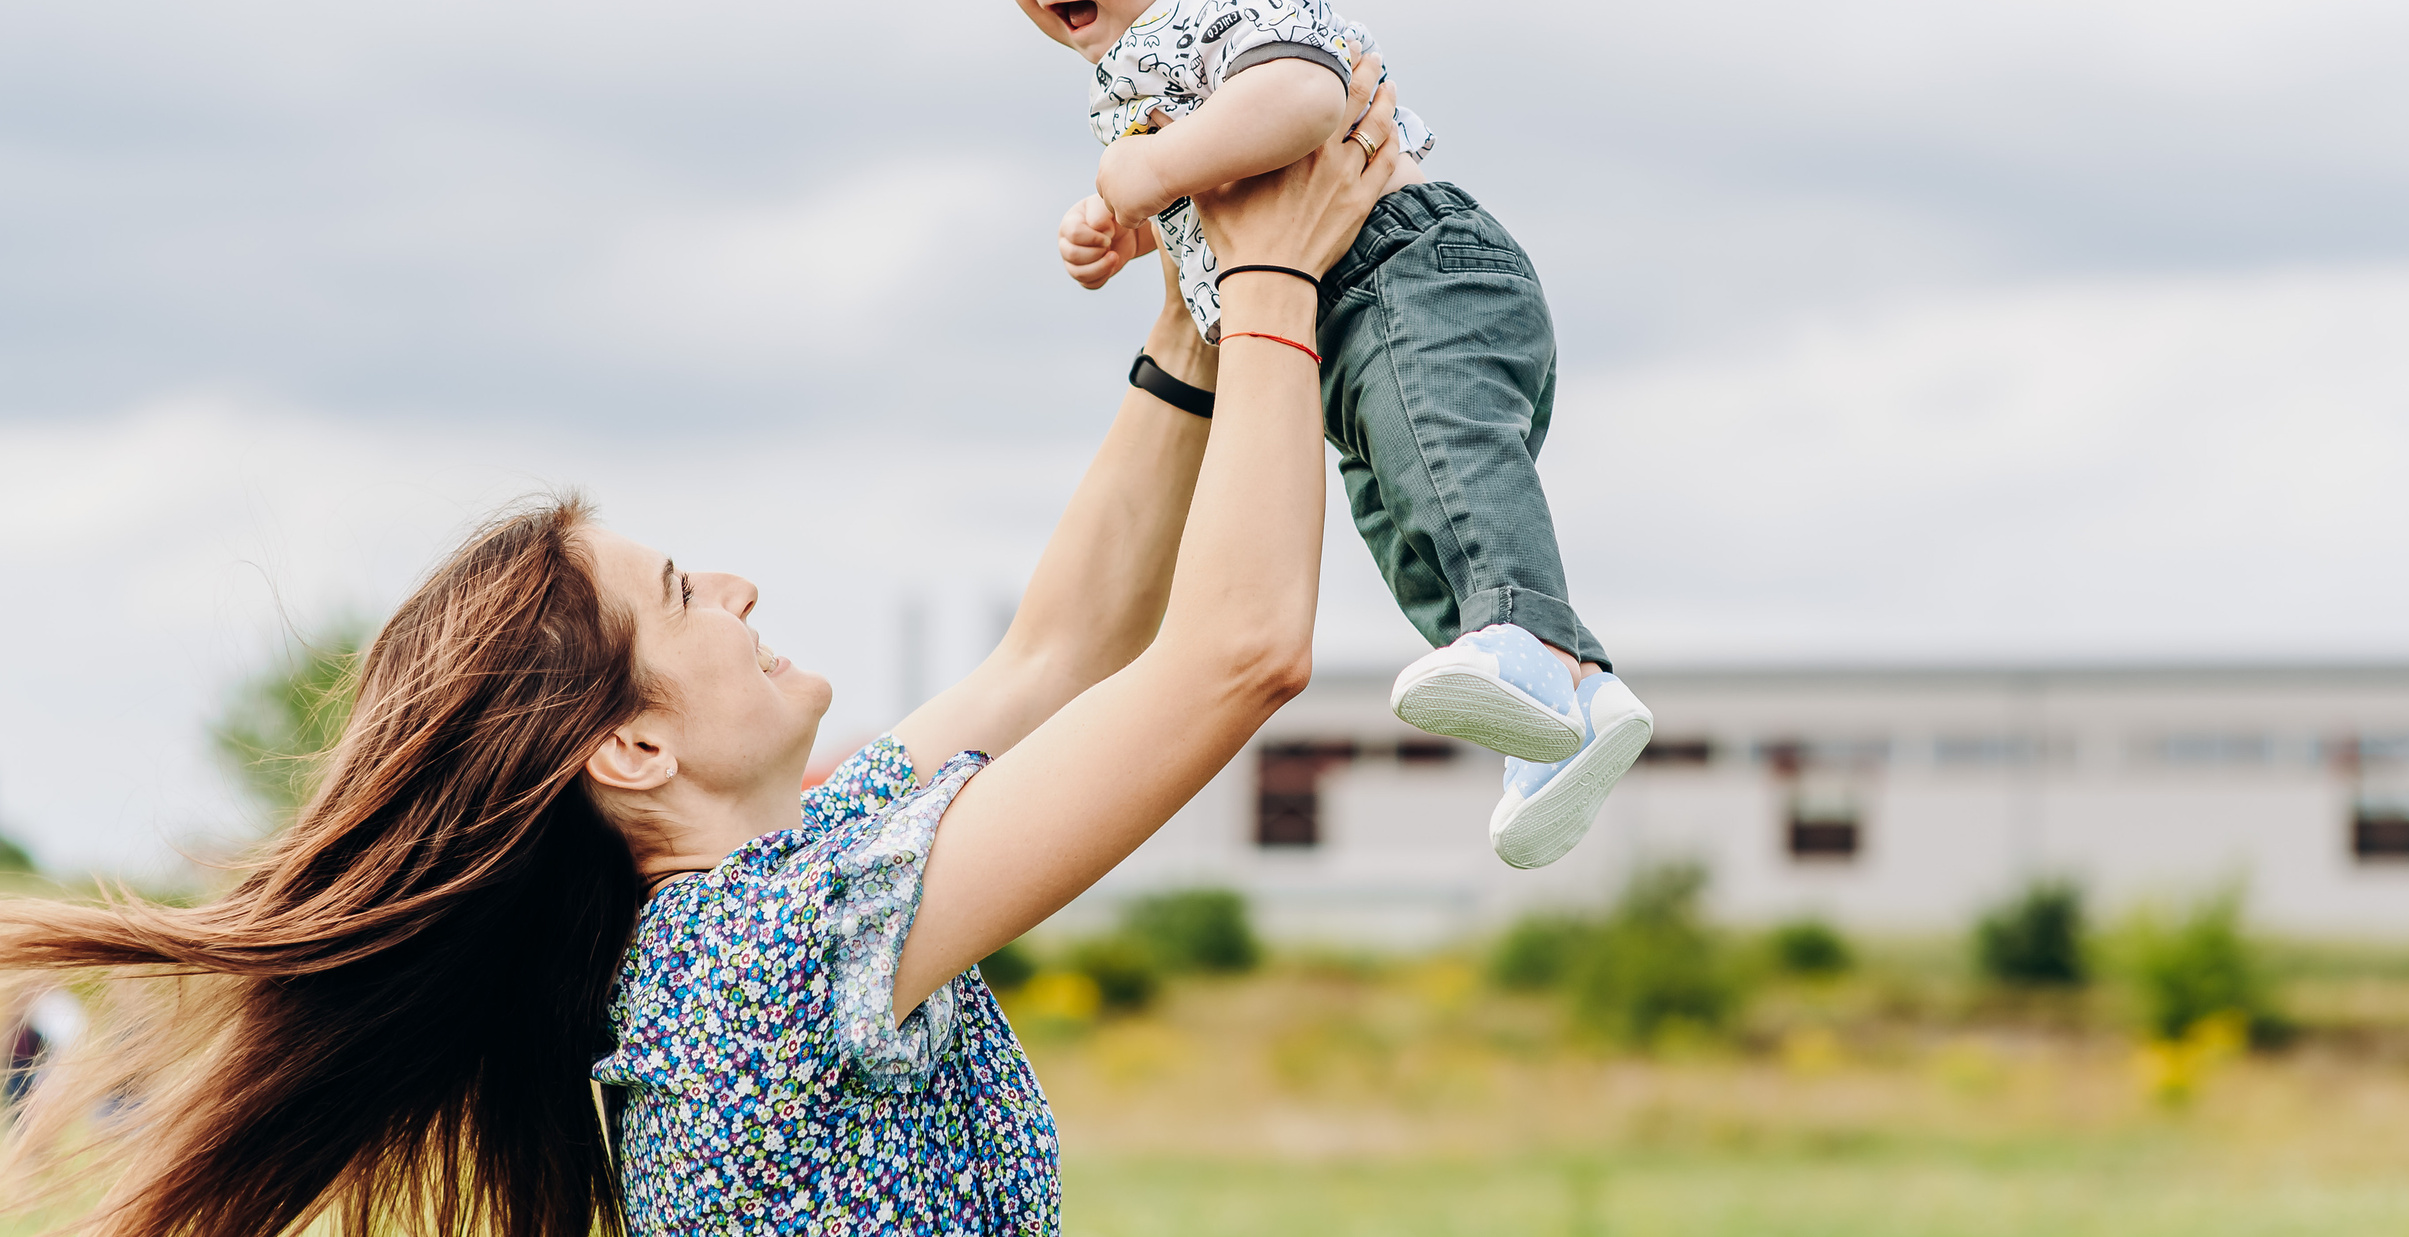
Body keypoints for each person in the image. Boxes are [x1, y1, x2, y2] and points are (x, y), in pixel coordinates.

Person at [0, 83, 1397, 1237]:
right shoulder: (776, 956)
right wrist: (1281, 278)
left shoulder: (778, 883)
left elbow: (1060, 649)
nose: (739, 588)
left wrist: (1195, 306)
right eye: (683, 595)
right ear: (633, 750)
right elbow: (1238, 655)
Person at [977, 0, 1654, 868]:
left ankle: (1538, 648)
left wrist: (1144, 168)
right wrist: (1134, 228)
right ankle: (1562, 717)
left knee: (1439, 463)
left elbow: (1298, 102)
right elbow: (1230, 184)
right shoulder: (1148, 64)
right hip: (1341, 323)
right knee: (1402, 518)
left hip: (1411, 273)